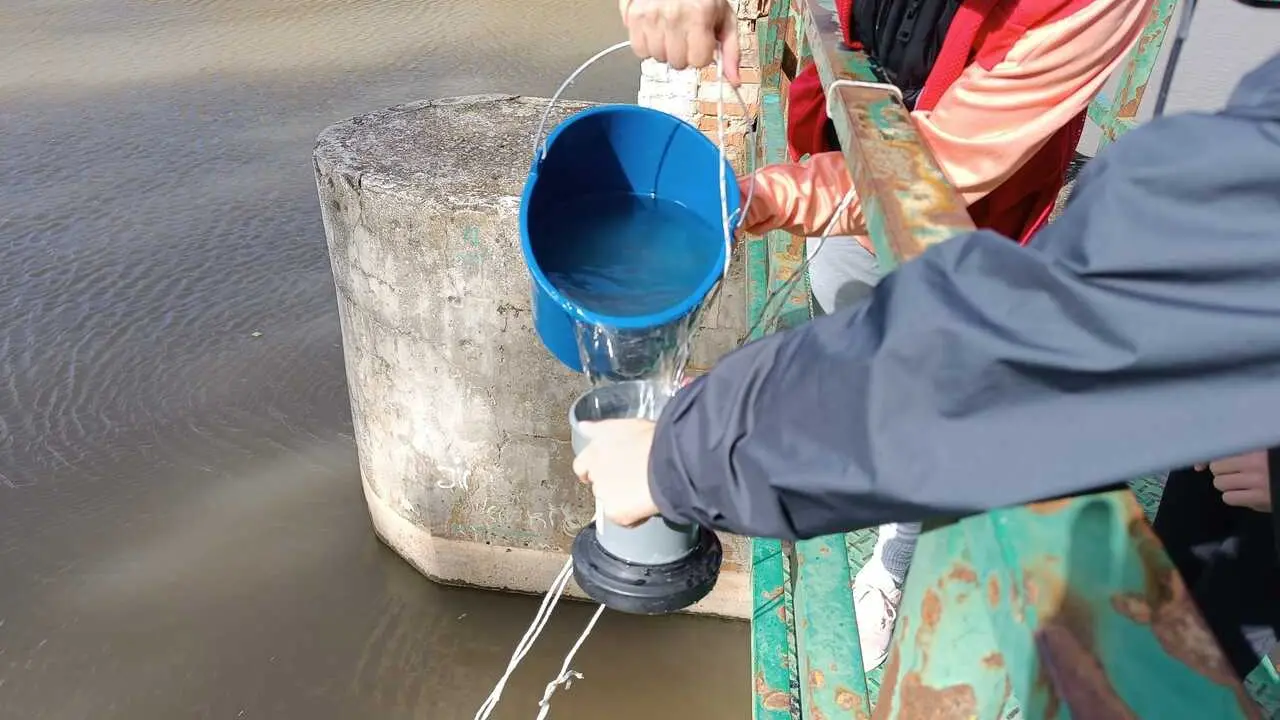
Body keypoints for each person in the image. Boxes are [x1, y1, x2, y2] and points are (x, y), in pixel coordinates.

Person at [573, 47, 1280, 682]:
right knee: (1189, 610)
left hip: (980, 233)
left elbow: (1037, 348)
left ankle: (896, 569)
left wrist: (688, 451)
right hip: (1236, 463)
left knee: (1182, 643)